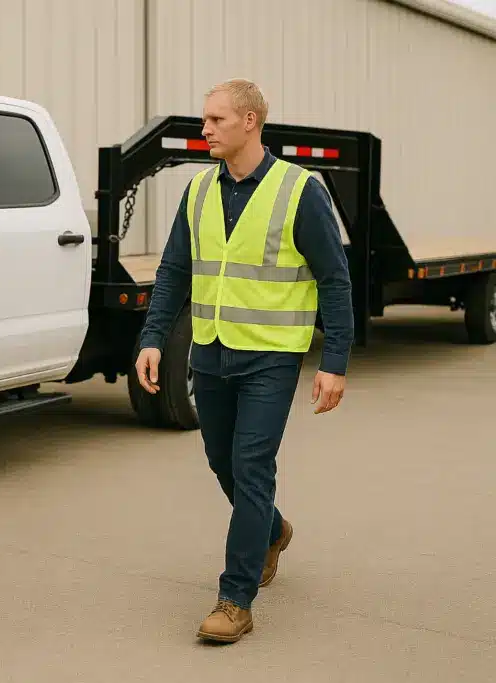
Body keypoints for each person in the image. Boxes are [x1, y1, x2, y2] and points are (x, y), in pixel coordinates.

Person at [134, 78, 354, 644]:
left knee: (252, 466)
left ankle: (235, 599)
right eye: (205, 119)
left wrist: (335, 361)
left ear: (250, 121)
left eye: (217, 120)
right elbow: (174, 271)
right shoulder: (198, 191)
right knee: (222, 463)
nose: (204, 129)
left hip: (271, 358)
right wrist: (152, 337)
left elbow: (334, 278)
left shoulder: (298, 191)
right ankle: (273, 530)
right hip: (210, 350)